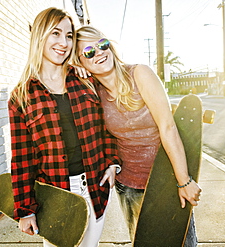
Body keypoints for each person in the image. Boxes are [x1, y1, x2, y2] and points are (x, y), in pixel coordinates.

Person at [72, 26, 202, 246]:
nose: (99, 53)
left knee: (183, 244)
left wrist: (184, 181)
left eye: (102, 45)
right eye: (88, 52)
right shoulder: (92, 92)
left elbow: (168, 127)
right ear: (80, 61)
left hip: (166, 180)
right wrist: (71, 70)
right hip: (129, 185)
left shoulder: (139, 73)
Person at [8, 9, 121, 247]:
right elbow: (22, 159)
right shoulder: (21, 97)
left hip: (94, 188)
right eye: (56, 34)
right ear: (40, 36)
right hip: (55, 195)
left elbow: (107, 129)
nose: (64, 43)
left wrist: (112, 162)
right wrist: (25, 209)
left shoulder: (86, 81)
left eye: (69, 36)